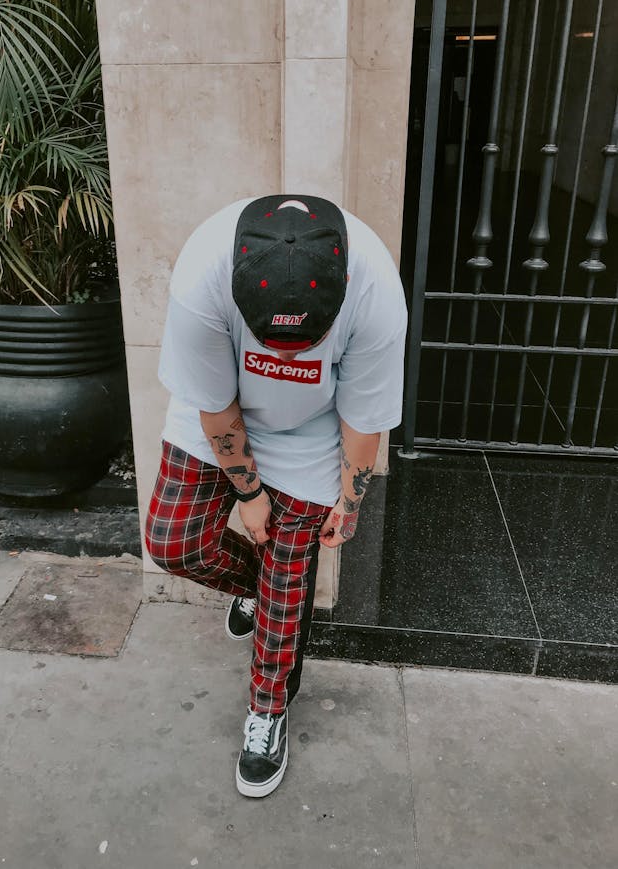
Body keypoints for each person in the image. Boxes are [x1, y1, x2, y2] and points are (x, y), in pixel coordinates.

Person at [146, 194, 407, 798]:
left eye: (303, 345)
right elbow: (216, 407)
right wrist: (250, 493)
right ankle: (255, 591)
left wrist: (350, 500)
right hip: (220, 411)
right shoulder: (202, 276)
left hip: (315, 427)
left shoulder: (374, 292)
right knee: (172, 540)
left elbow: (365, 418)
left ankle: (268, 709)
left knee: (290, 569)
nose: (284, 356)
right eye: (273, 344)